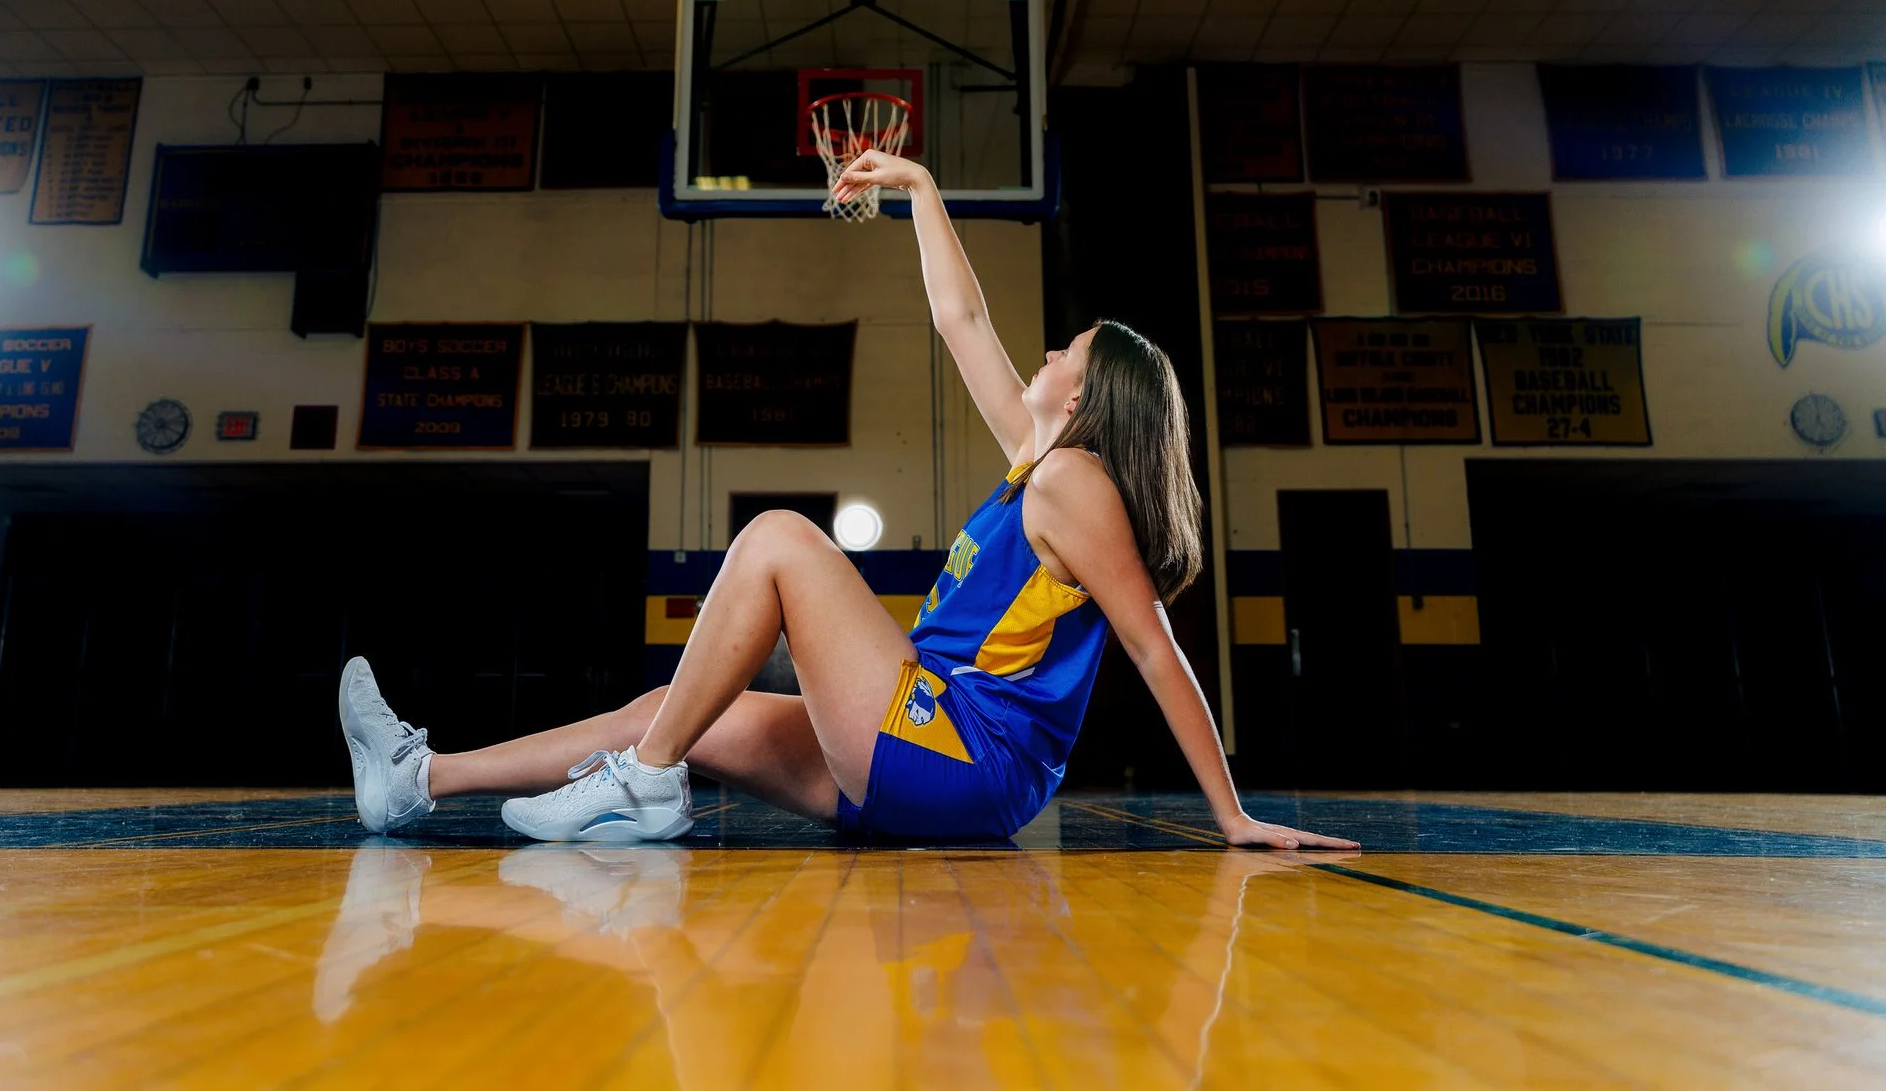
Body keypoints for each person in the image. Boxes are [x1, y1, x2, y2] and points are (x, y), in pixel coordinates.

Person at [338, 150, 1357, 851]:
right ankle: (418, 780)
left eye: (1065, 350)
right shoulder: (1036, 464)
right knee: (677, 709)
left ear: (1087, 396)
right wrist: (917, 183)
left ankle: (643, 783)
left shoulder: (1075, 483)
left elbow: (1152, 646)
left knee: (780, 537)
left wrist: (1228, 812)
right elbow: (960, 317)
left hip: (963, 752)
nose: (1046, 351)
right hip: (922, 736)